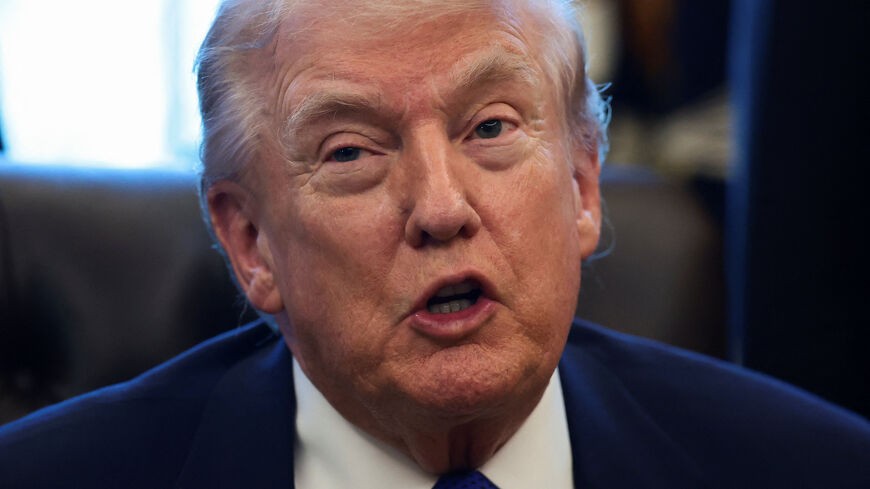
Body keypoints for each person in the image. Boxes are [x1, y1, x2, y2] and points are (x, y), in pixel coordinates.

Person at [1, 0, 868, 487]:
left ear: (581, 187)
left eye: (490, 127)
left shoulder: (816, 468)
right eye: (350, 152)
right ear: (251, 239)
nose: (441, 207)